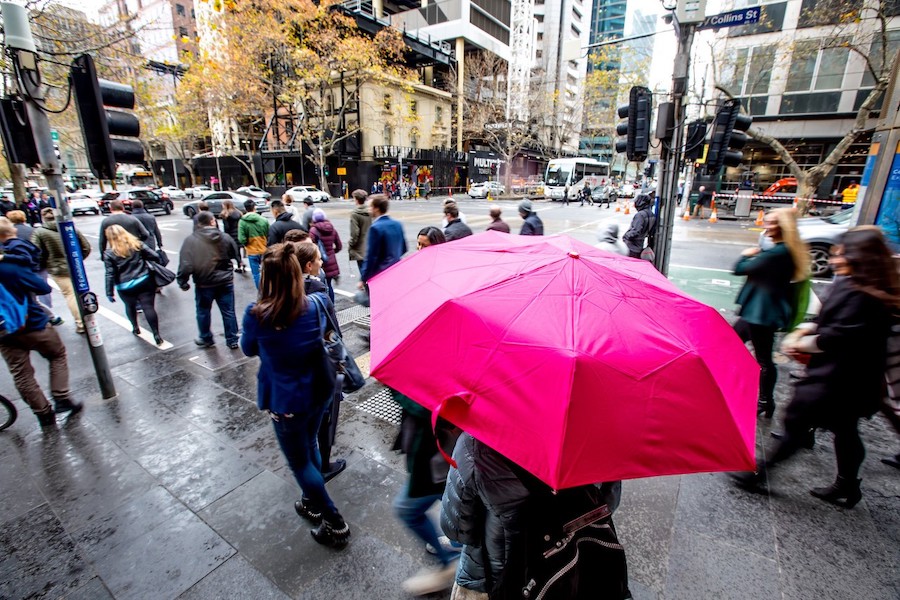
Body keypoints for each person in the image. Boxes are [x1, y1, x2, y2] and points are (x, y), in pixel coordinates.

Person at [733, 227, 898, 508]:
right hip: (838, 373)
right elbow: (826, 319)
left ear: (858, 257)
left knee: (800, 423)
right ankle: (846, 483)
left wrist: (804, 342)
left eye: (840, 254)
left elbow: (840, 336)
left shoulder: (869, 296)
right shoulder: (851, 283)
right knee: (844, 429)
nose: (834, 259)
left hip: (843, 377)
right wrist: (807, 331)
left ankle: (760, 472)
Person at [240, 242, 351, 549]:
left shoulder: (257, 315)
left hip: (286, 403)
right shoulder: (313, 304)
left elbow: (248, 348)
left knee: (300, 463)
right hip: (318, 391)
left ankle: (334, 521)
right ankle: (313, 500)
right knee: (311, 444)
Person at [441, 433, 628, 599]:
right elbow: (609, 503)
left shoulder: (474, 444)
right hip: (574, 558)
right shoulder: (600, 436)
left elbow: (457, 530)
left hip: (496, 573)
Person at [732, 208, 807, 418]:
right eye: (767, 221)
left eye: (773, 222)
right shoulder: (782, 251)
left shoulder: (778, 253)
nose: (767, 225)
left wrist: (744, 256)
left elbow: (740, 268)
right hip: (756, 311)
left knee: (763, 359)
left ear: (784, 227)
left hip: (761, 313)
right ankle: (750, 391)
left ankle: (765, 400)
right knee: (732, 344)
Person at [0, 242, 83, 428]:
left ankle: (43, 413)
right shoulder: (8, 266)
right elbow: (42, 287)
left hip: (3, 332)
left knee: (21, 373)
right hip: (30, 323)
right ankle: (61, 397)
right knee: (57, 354)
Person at [293, 242, 346, 481]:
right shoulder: (317, 292)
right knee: (324, 418)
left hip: (297, 373)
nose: (322, 262)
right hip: (319, 368)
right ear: (308, 265)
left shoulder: (285, 287)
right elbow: (332, 332)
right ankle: (324, 465)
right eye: (318, 259)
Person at [178, 211, 241, 349]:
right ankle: (232, 338)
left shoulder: (191, 240)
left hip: (204, 281)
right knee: (228, 310)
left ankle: (206, 337)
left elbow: (186, 264)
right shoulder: (224, 237)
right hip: (225, 280)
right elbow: (234, 253)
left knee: (203, 310)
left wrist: (182, 281)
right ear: (212, 221)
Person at [31, 209, 92, 333]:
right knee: (82, 293)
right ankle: (89, 320)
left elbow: (35, 251)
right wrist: (79, 259)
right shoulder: (69, 228)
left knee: (70, 295)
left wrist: (45, 263)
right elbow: (86, 246)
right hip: (75, 266)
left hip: (57, 268)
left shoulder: (40, 232)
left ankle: (81, 323)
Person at [103, 225, 165, 346]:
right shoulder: (137, 245)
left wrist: (109, 292)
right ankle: (156, 334)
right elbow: (155, 256)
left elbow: (109, 274)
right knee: (148, 307)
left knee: (130, 306)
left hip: (124, 286)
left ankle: (135, 327)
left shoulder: (109, 254)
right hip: (143, 280)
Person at [4, 211, 60, 325]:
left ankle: (48, 316)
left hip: (25, 269)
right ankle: (49, 314)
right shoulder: (33, 230)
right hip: (40, 265)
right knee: (42, 291)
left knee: (32, 297)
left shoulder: (11, 240)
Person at [359, 194, 407, 288]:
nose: (368, 210)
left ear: (376, 208)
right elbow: (404, 248)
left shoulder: (375, 228)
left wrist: (363, 278)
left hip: (380, 274)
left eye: (370, 207)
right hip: (396, 270)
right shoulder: (397, 224)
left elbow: (371, 257)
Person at [309, 209, 342, 302]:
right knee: (329, 284)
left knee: (321, 285)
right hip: (331, 260)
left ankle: (325, 307)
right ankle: (331, 306)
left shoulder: (313, 230)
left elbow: (311, 247)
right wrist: (332, 252)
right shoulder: (332, 228)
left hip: (319, 261)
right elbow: (339, 246)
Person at [238, 199, 269, 288]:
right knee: (267, 273)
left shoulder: (242, 222)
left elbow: (242, 239)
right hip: (264, 249)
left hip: (252, 251)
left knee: (256, 274)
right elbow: (268, 234)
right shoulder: (263, 220)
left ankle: (261, 292)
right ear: (254, 207)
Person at [622, 194, 656, 259]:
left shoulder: (640, 215)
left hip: (632, 246)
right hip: (640, 245)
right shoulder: (651, 214)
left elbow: (635, 231)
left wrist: (626, 236)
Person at [348, 189, 371, 276]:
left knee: (364, 274)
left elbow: (355, 233)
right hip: (371, 247)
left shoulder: (355, 214)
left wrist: (351, 244)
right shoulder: (371, 212)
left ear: (356, 199)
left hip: (360, 249)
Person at [219, 199, 246, 273]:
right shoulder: (239, 213)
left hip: (231, 235)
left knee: (234, 252)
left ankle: (240, 263)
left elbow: (227, 227)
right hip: (239, 233)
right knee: (237, 251)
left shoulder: (225, 215)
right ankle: (240, 265)